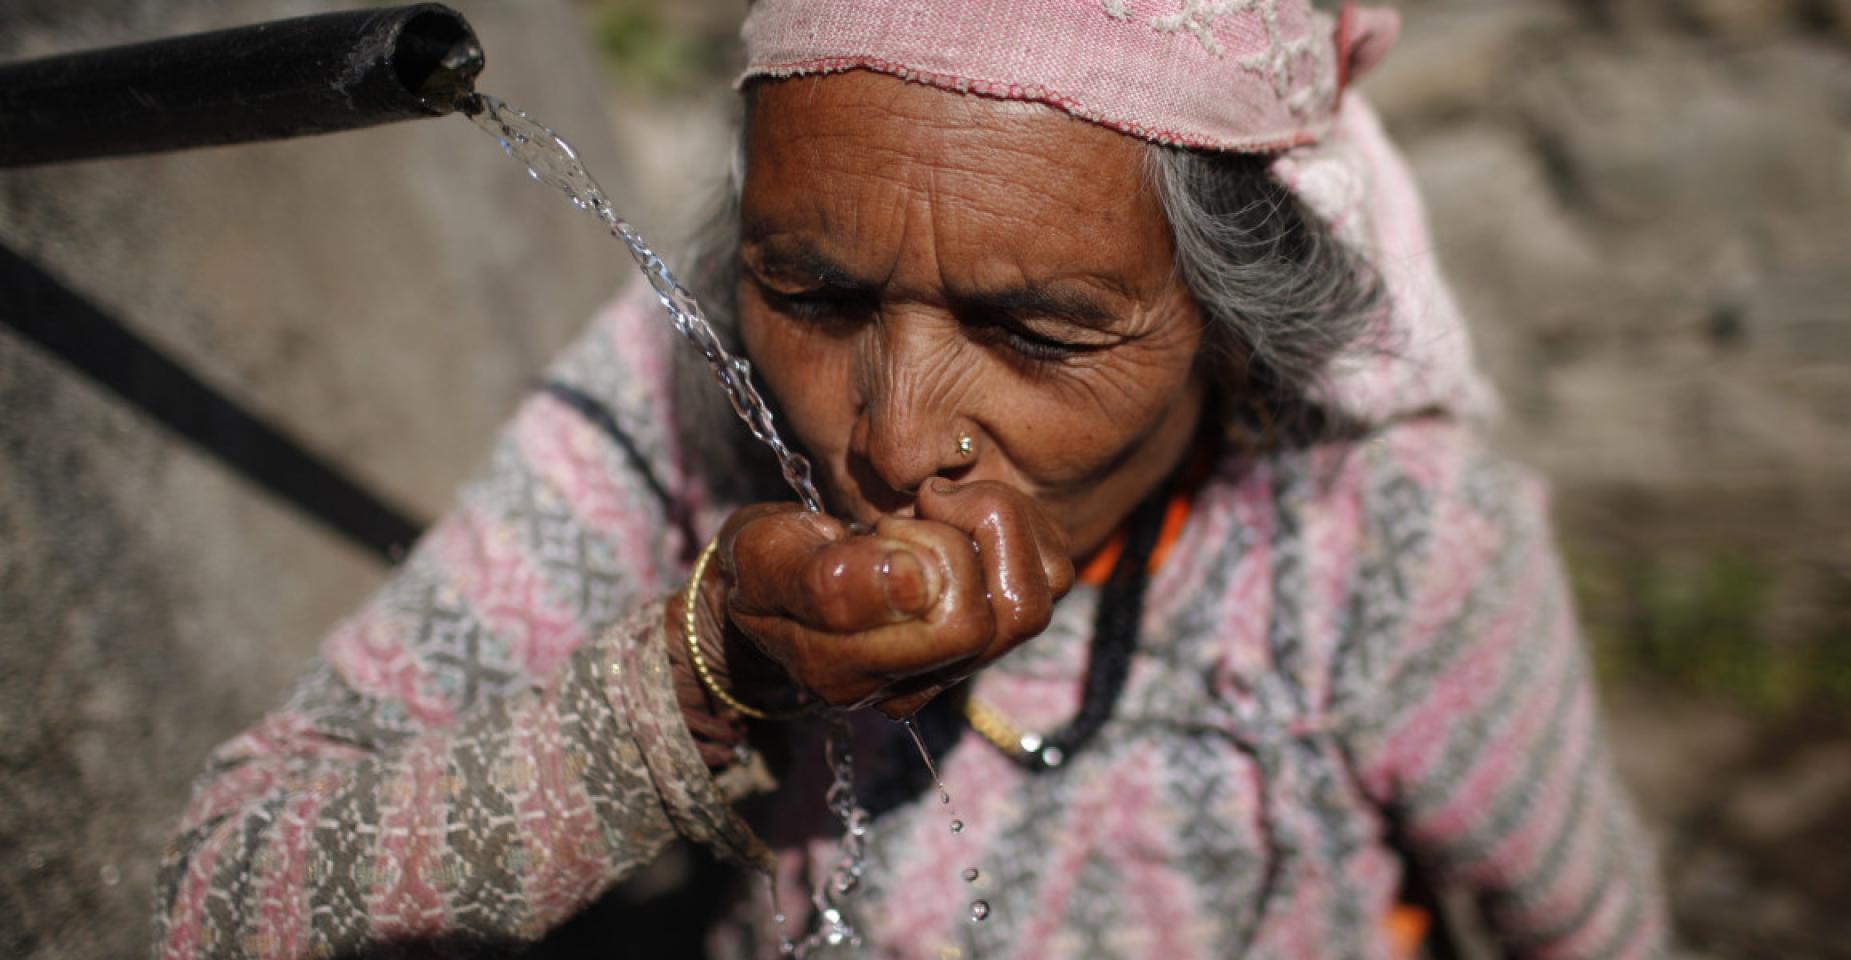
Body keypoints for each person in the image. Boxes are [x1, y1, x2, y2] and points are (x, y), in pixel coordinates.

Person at [153, 2, 1667, 957]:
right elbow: (227, 896)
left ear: (1230, 324)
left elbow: (1588, 930)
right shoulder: (688, 390)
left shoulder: (1390, 541)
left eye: (1036, 333)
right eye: (814, 297)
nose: (891, 437)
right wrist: (706, 668)